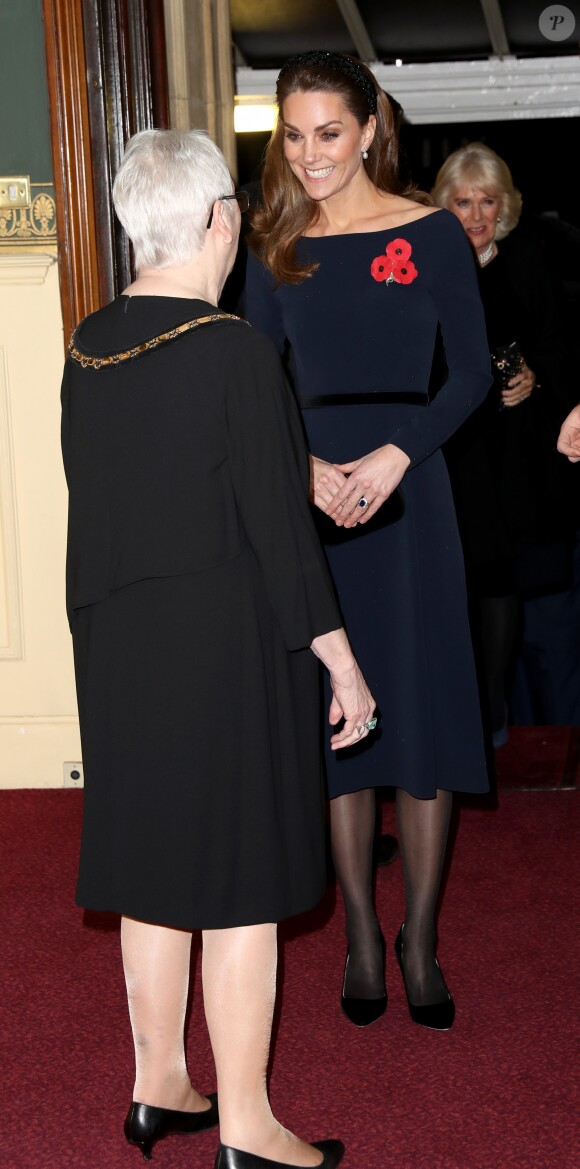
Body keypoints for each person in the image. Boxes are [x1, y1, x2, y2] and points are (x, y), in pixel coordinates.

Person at [61, 128, 378, 1169]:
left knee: (155, 872)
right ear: (214, 221)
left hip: (119, 644)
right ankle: (245, 1123)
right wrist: (340, 660)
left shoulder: (87, 344)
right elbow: (283, 540)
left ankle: (159, 1081)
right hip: (224, 649)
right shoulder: (233, 346)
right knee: (241, 885)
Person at [244, 50, 491, 1034]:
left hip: (409, 489)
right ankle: (356, 935)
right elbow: (255, 383)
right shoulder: (274, 242)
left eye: (328, 133)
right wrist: (300, 466)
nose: (309, 155)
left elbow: (469, 375)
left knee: (420, 719)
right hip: (311, 497)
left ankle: (417, 939)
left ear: (368, 126)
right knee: (339, 733)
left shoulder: (430, 232)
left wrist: (394, 455)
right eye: (293, 135)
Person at [432, 142, 578, 732]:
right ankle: (468, 713)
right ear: (445, 204)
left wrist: (535, 378)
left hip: (516, 455)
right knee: (458, 582)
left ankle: (493, 712)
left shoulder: (527, 262)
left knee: (505, 584)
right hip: (456, 447)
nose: (474, 214)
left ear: (505, 206)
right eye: (462, 201)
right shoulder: (433, 269)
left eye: (486, 201)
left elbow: (558, 343)